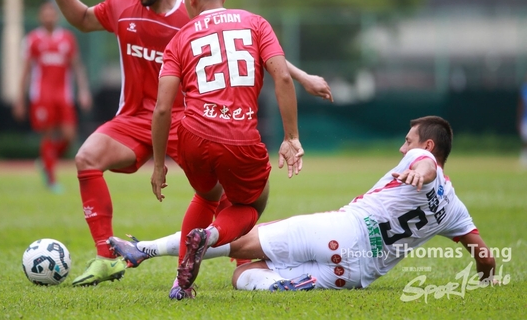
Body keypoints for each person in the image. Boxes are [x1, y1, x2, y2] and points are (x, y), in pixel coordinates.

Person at [33, 0, 332, 287]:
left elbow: (243, 45)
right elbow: (84, 19)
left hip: (183, 119)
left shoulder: (190, 18)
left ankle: (239, 260)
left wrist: (302, 77)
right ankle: (107, 257)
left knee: (219, 192)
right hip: (134, 118)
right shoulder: (121, 4)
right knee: (86, 158)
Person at [110, 116, 497, 292]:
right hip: (357, 274)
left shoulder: (421, 160)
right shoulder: (455, 209)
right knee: (242, 276)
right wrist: (486, 279)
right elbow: (485, 256)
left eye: (408, 141)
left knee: (240, 241)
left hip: (343, 230)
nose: (402, 148)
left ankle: (145, 250)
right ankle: (282, 285)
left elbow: (426, 166)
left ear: (427, 145)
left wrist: (422, 173)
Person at [148, 0, 303, 300]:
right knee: (252, 203)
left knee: (207, 195)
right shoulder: (256, 23)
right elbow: (283, 77)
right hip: (239, 137)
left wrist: (158, 165)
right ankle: (212, 236)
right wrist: (291, 137)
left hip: (192, 136)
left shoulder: (179, 38)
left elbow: (162, 108)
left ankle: (180, 285)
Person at [13, 1, 92, 192]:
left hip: (64, 95)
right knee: (47, 135)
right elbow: (26, 71)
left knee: (69, 136)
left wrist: (83, 91)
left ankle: (45, 162)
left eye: (51, 13)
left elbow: (77, 67)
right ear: (40, 17)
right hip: (42, 96)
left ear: (57, 16)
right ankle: (51, 178)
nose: (48, 17)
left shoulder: (67, 39)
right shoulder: (33, 39)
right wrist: (20, 99)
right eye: (45, 14)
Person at [517, 75, 527, 168]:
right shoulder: (524, 89)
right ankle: (524, 158)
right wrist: (519, 120)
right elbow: (521, 106)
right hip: (525, 119)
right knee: (525, 140)